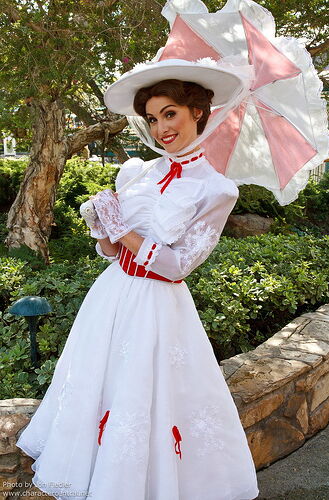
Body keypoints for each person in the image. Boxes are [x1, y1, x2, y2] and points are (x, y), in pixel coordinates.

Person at [16, 58, 259, 500]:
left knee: (151, 395)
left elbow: (178, 265)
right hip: (112, 296)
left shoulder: (217, 189)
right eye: (153, 118)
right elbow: (111, 253)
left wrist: (122, 229)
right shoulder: (138, 172)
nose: (162, 127)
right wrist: (103, 226)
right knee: (101, 385)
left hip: (159, 304)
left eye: (170, 114)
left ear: (197, 112)